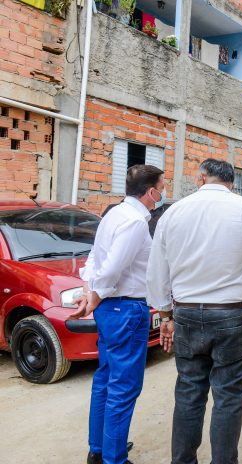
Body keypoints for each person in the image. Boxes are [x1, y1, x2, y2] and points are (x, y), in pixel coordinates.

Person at [146, 158, 242, 464]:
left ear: (201, 178)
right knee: (229, 396)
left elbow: (157, 272)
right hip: (235, 318)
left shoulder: (173, 213)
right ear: (232, 183)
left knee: (189, 392)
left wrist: (166, 317)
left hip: (185, 316)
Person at [70, 164, 165, 464]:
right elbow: (111, 269)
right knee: (124, 387)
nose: (163, 193)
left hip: (112, 309)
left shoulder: (113, 214)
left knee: (106, 379)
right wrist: (94, 297)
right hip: (126, 308)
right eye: (162, 188)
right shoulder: (135, 223)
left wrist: (89, 292)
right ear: (151, 192)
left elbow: (96, 259)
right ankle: (114, 459)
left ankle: (98, 449)